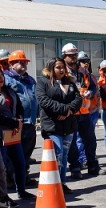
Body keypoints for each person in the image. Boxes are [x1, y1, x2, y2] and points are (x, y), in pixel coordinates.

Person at [0, 66, 34, 202]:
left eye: (1, 76)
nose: (1, 78)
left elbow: (19, 107)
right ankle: (2, 195)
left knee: (20, 163)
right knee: (1, 166)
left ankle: (21, 191)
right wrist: (14, 122)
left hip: (13, 133)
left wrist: (19, 120)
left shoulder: (9, 90)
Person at [35, 57, 82, 194]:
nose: (61, 70)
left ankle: (62, 183)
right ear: (51, 68)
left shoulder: (70, 81)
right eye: (58, 67)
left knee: (65, 155)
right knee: (57, 154)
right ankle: (53, 185)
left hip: (68, 125)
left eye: (63, 67)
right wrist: (63, 109)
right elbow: (44, 101)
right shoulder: (42, 82)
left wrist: (68, 111)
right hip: (52, 125)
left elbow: (78, 99)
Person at [61, 44, 105, 179]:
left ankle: (92, 165)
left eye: (75, 55)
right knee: (72, 142)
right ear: (64, 56)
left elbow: (93, 87)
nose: (73, 58)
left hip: (84, 111)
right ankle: (75, 167)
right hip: (71, 113)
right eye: (70, 55)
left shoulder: (84, 72)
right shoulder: (62, 72)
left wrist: (90, 93)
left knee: (90, 140)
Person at [5, 50, 39, 186]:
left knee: (26, 151)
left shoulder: (30, 79)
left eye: (25, 62)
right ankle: (11, 178)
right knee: (12, 153)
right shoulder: (6, 79)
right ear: (12, 64)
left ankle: (23, 176)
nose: (24, 64)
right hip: (14, 122)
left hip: (29, 121)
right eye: (21, 62)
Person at [76, 51, 101, 167]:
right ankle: (81, 159)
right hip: (78, 112)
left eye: (87, 61)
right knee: (79, 138)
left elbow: (95, 89)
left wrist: (90, 93)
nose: (85, 64)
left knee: (90, 138)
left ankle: (88, 159)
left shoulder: (89, 76)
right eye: (83, 61)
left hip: (90, 110)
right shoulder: (75, 75)